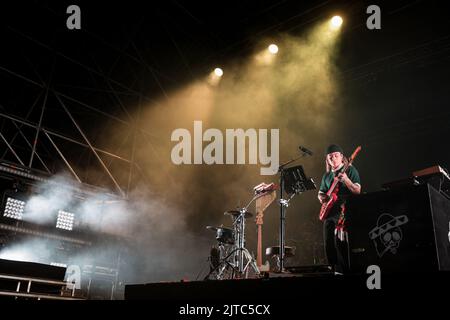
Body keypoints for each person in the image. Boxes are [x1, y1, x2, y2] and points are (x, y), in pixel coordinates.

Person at [318, 144, 361, 273]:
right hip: (329, 213)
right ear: (327, 159)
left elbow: (357, 190)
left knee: (340, 242)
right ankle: (333, 270)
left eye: (336, 155)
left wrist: (346, 180)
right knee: (328, 243)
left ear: (342, 157)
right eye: (330, 157)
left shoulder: (350, 170)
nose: (333, 158)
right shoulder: (326, 176)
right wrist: (322, 198)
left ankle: (346, 271)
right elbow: (320, 193)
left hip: (344, 211)